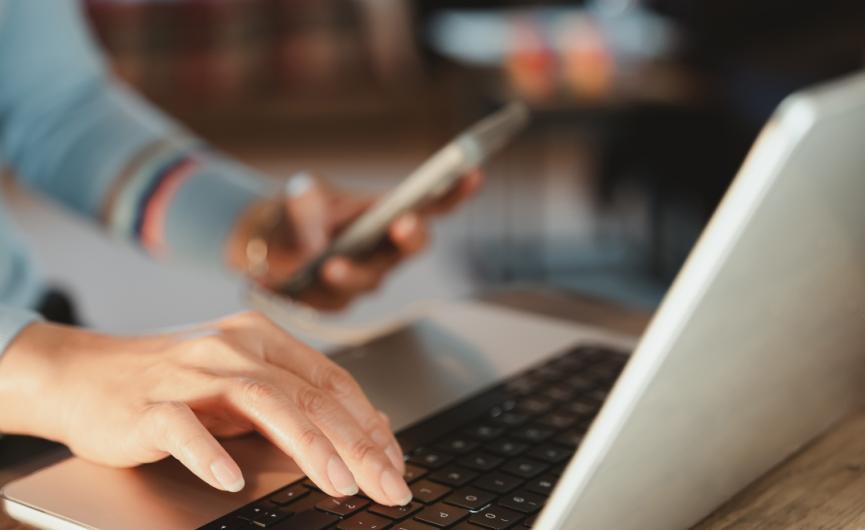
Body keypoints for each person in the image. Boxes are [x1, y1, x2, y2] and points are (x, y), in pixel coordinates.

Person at [0, 1, 481, 507]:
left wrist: (260, 229)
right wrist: (50, 372)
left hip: (49, 354)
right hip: (50, 374)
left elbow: (56, 109)